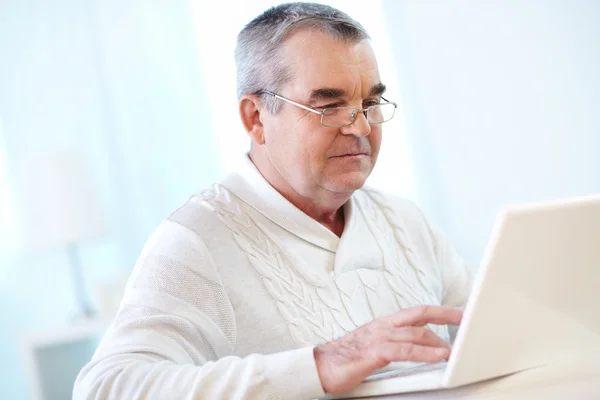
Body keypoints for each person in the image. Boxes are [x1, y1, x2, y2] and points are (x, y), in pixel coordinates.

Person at [74, 3, 473, 399]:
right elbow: (105, 388)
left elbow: (492, 344)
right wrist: (321, 364)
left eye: (370, 103)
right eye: (330, 106)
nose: (362, 127)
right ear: (256, 118)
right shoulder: (197, 240)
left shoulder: (406, 221)